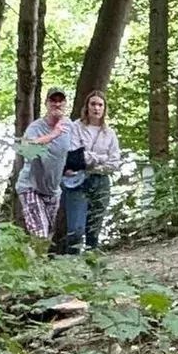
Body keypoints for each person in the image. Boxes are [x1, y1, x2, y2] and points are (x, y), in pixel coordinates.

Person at [60, 91, 124, 253]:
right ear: (87, 106)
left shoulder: (109, 133)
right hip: (78, 181)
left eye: (100, 105)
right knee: (76, 230)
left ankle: (91, 268)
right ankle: (70, 267)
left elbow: (115, 162)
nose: (96, 108)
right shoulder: (75, 128)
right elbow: (76, 156)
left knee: (94, 229)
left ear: (104, 108)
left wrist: (92, 162)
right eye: (93, 104)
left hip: (101, 182)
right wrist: (101, 158)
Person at [16, 87, 76, 239]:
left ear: (65, 104)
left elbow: (74, 150)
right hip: (31, 186)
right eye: (53, 100)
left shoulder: (69, 126)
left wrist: (69, 168)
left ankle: (33, 262)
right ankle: (35, 261)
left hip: (52, 191)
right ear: (46, 104)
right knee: (40, 235)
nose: (57, 104)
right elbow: (25, 148)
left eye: (60, 101)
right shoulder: (36, 127)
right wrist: (53, 134)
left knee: (47, 237)